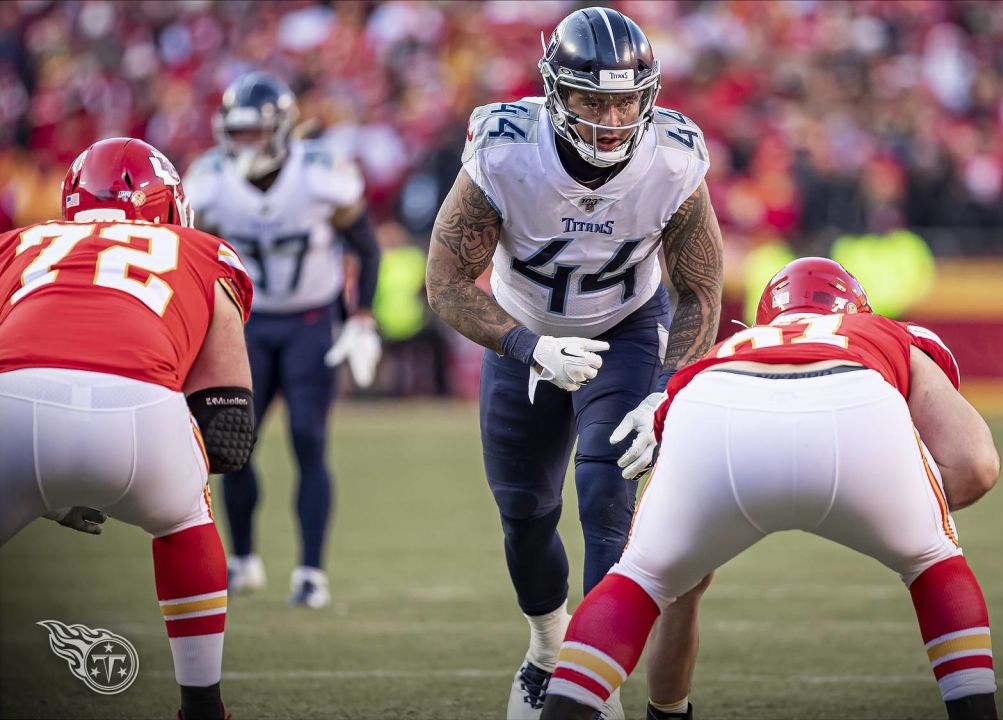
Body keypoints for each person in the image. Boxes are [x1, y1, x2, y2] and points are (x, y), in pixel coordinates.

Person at [539, 257, 1001, 720]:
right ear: (857, 308)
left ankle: (624, 712)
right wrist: (898, 506)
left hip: (715, 398)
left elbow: (673, 420)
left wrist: (691, 542)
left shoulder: (731, 345)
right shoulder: (884, 332)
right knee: (933, 562)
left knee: (644, 581)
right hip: (853, 395)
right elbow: (976, 464)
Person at [425, 7, 723, 718]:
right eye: (592, 98)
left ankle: (593, 681)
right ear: (556, 91)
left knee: (605, 497)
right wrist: (529, 347)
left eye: (625, 97)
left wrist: (664, 390)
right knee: (526, 515)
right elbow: (444, 280)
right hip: (524, 331)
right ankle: (548, 648)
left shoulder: (674, 159)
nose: (612, 115)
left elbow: (701, 291)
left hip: (625, 330)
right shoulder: (505, 149)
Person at [0, 137, 255, 720]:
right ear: (165, 204)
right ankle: (201, 704)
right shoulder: (203, 251)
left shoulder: (16, 244)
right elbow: (228, 433)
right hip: (141, 412)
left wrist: (44, 488)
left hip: (9, 405)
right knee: (188, 515)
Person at [185, 72, 383, 609]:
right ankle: (244, 560)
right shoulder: (209, 179)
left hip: (310, 322)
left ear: (279, 130)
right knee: (233, 444)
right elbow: (187, 258)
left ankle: (311, 571)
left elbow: (367, 246)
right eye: (237, 131)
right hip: (244, 324)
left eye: (253, 132)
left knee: (307, 438)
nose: (242, 142)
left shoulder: (319, 172)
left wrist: (361, 315)